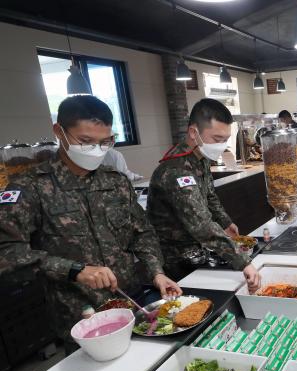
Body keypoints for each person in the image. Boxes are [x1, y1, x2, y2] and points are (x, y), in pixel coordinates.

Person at [0, 95, 181, 352]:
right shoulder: (30, 188)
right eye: (85, 141)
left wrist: (156, 272)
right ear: (59, 132)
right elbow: (7, 254)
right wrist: (74, 270)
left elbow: (142, 232)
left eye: (104, 142)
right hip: (79, 316)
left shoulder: (116, 182)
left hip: (131, 303)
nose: (96, 149)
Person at [146, 99, 261, 290]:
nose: (222, 145)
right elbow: (201, 225)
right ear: (194, 132)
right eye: (217, 139)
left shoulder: (200, 158)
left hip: (196, 251)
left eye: (225, 139)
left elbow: (209, 196)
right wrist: (242, 261)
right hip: (175, 261)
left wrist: (225, 223)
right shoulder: (176, 170)